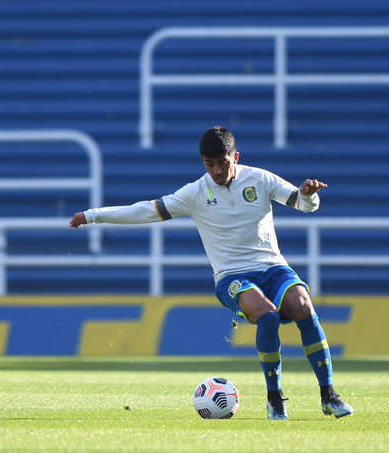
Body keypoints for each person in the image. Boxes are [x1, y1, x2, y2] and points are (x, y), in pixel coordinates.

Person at [69, 126, 353, 421]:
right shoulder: (195, 193)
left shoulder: (261, 179)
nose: (216, 171)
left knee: (304, 306)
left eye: (223, 163)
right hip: (232, 276)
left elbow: (303, 204)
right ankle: (275, 399)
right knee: (267, 316)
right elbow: (145, 211)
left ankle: (328, 395)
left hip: (273, 267)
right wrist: (93, 215)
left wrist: (308, 196)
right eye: (209, 164)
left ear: (236, 157)